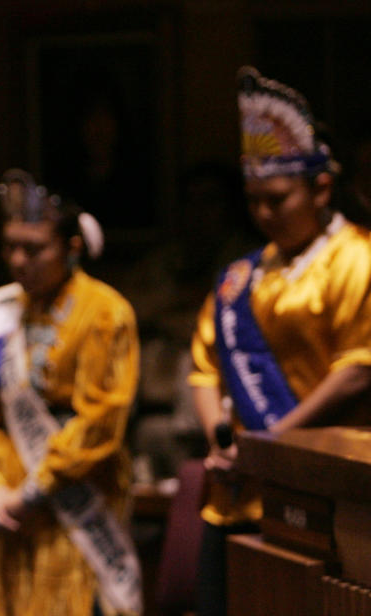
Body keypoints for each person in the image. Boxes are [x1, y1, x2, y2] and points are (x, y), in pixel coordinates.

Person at [188, 67, 371, 616]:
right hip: (236, 489)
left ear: (320, 187)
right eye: (253, 200)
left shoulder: (358, 258)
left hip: (325, 489)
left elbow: (360, 368)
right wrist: (223, 444)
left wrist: (268, 445)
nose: (263, 214)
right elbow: (203, 365)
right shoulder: (243, 274)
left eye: (278, 198)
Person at [0, 169, 142, 615]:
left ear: (71, 248)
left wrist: (32, 493)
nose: (19, 260)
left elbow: (101, 419)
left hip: (74, 500)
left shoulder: (105, 313)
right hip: (3, 504)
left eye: (34, 248)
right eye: (10, 247)